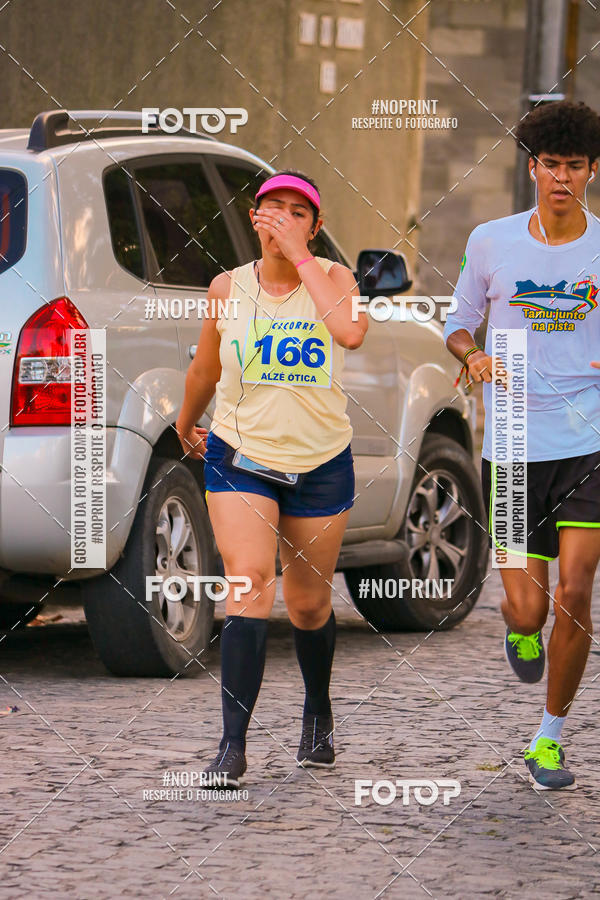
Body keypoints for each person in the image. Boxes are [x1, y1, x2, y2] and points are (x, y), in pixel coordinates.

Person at [176, 169, 367, 785]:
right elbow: (206, 367)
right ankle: (232, 747)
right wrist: (186, 422)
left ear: (315, 226)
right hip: (240, 457)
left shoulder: (334, 279)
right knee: (250, 582)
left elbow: (350, 333)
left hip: (319, 463)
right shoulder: (226, 287)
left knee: (309, 605)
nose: (282, 217)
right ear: (254, 218)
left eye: (298, 211)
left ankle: (317, 711)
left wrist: (301, 256)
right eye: (272, 208)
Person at [444, 100, 600, 790]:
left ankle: (549, 738)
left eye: (574, 165)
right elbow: (457, 322)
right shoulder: (491, 241)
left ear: (592, 171)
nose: (561, 177)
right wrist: (471, 354)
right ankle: (521, 627)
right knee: (528, 607)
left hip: (589, 440)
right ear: (532, 167)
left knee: (576, 587)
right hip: (510, 442)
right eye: (550, 164)